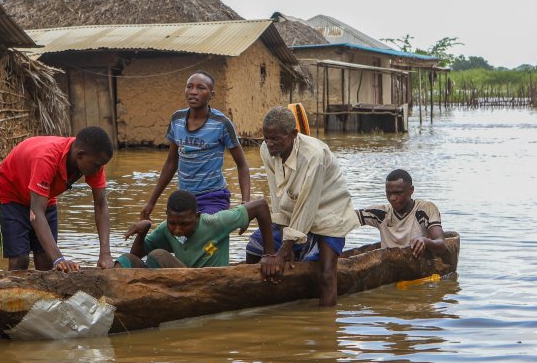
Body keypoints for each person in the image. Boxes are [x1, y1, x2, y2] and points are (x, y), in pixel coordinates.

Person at [246, 106, 359, 306]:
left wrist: (284, 251)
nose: (269, 144)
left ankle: (327, 330)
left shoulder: (313, 156)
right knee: (254, 248)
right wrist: (277, 251)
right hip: (293, 215)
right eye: (266, 138)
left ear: (293, 135)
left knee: (325, 275)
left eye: (275, 139)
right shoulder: (266, 150)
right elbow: (277, 196)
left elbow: (308, 206)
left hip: (329, 214)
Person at [0, 127, 115, 272]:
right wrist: (59, 258)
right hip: (11, 194)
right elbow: (36, 212)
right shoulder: (46, 159)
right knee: (20, 259)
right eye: (97, 165)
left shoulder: (93, 163)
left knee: (45, 259)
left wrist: (105, 253)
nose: (99, 170)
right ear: (80, 155)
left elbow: (101, 205)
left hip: (44, 196)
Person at [140, 71, 251, 219]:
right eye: (189, 87)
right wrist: (151, 203)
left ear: (212, 95)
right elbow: (171, 163)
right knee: (177, 237)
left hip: (213, 197)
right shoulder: (177, 119)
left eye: (201, 88)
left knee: (206, 233)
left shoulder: (222, 124)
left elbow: (242, 165)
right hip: (185, 199)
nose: (193, 92)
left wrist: (245, 204)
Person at [119, 190, 276, 269]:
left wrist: (269, 254)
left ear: (197, 216)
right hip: (177, 281)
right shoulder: (165, 229)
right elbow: (136, 256)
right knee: (125, 259)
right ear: (167, 216)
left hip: (206, 281)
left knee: (158, 255)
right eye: (172, 223)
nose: (177, 230)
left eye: (184, 224)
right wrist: (143, 232)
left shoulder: (216, 222)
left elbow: (260, 206)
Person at [356, 169, 447, 258]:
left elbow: (441, 244)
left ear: (411, 190)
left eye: (398, 193)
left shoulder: (425, 209)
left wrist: (424, 241)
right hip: (388, 266)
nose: (392, 198)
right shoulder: (381, 213)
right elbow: (347, 218)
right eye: (388, 193)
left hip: (419, 265)